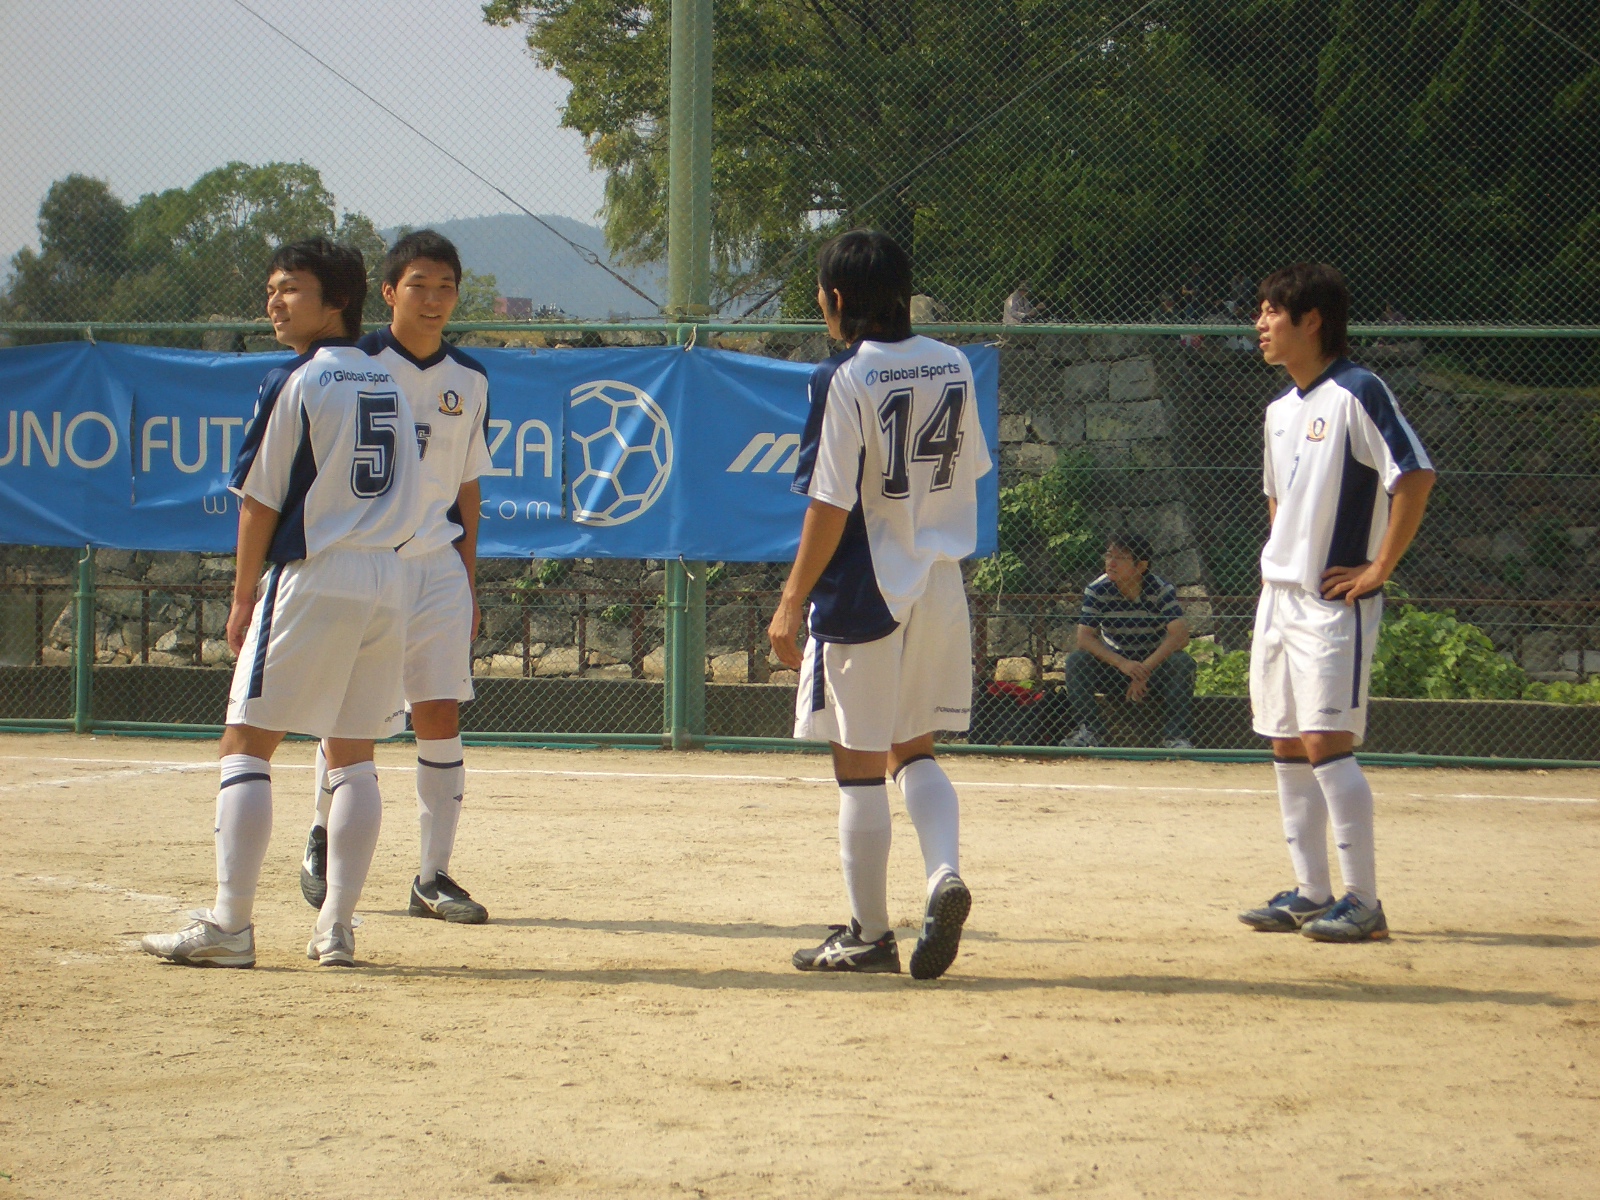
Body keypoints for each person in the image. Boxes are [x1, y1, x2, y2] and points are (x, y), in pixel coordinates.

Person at [141, 237, 422, 968]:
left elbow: (259, 503)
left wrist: (242, 598)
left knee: (247, 740)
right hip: (387, 577)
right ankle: (336, 927)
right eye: (272, 288)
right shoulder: (390, 383)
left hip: (316, 572)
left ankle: (231, 924)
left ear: (338, 303)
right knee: (353, 756)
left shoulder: (293, 380)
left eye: (291, 288)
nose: (274, 300)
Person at [768, 229, 992, 980]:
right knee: (915, 751)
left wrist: (791, 596)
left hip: (867, 586)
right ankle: (943, 874)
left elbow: (830, 503)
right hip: (939, 581)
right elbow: (969, 470)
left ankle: (868, 933)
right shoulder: (954, 363)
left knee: (859, 766)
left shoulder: (842, 377)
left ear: (834, 301)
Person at [298, 230, 493, 925]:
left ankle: (432, 877)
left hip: (437, 563)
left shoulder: (470, 380)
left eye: (446, 287)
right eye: (419, 285)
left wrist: (468, 581)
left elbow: (467, 491)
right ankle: (322, 829)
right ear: (388, 292)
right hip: (368, 561)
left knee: (439, 710)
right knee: (351, 717)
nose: (434, 299)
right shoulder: (355, 366)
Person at [1238, 263, 1434, 944]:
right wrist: (1280, 559)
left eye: (1271, 311)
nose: (1259, 324)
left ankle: (1365, 901)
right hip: (1280, 596)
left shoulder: (1358, 391)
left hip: (1330, 602)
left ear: (1311, 320)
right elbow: (1277, 498)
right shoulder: (1278, 410)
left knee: (1326, 742)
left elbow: (1414, 472)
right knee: (1287, 742)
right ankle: (1311, 892)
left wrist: (1379, 567)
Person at [1060, 535, 1194, 749]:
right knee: (1077, 661)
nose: (1111, 563)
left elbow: (1180, 636)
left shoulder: (1160, 589)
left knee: (1182, 663)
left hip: (1154, 668)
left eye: (1120, 558)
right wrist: (1123, 664)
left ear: (1141, 566)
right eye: (1108, 556)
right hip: (1115, 669)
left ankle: (1175, 737)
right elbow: (1084, 638)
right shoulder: (1097, 590)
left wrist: (1144, 670)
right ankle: (1091, 732)